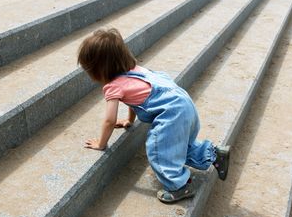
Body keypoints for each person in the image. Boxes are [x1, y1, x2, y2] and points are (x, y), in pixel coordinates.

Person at [78, 28, 229, 203]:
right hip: (183, 103)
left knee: (160, 150)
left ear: (98, 69)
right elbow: (135, 101)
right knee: (178, 145)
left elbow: (109, 120)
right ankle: (215, 155)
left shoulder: (114, 86)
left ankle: (179, 187)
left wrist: (101, 144)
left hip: (172, 113)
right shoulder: (138, 71)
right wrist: (129, 120)